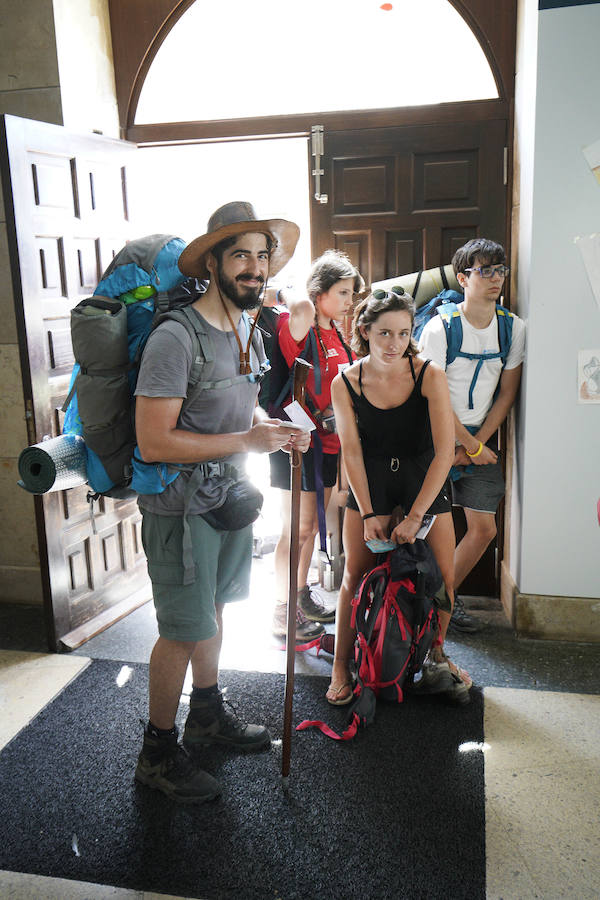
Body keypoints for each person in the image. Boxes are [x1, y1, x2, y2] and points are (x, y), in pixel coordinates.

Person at [133, 201, 310, 803]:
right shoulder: (175, 338)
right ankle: (157, 754)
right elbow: (153, 441)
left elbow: (242, 407)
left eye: (262, 256)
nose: (255, 268)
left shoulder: (248, 329)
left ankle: (205, 714)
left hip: (228, 497)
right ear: (212, 263)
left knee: (215, 610)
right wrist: (247, 442)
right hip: (179, 510)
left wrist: (273, 428)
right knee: (182, 630)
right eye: (240, 256)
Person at [326, 287, 472, 706]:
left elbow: (444, 452)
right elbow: (352, 451)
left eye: (404, 333)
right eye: (384, 333)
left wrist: (415, 516)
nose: (394, 343)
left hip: (422, 476)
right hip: (371, 478)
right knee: (354, 575)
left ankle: (436, 658)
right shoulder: (345, 380)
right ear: (365, 331)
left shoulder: (429, 375)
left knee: (443, 579)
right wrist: (368, 511)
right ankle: (341, 666)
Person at [418, 239, 526, 633]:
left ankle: (439, 601)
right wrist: (467, 445)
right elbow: (432, 396)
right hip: (432, 439)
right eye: (485, 270)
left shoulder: (513, 328)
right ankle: (424, 606)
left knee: (484, 530)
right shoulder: (441, 328)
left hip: (478, 440)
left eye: (500, 270)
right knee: (427, 530)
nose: (496, 278)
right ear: (463, 278)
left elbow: (507, 393)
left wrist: (477, 443)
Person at [269, 250, 363, 643]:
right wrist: (287, 291)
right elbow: (301, 306)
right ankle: (281, 611)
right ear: (319, 293)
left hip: (327, 444)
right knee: (298, 528)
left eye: (351, 293)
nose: (349, 301)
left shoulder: (339, 334)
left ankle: (299, 595)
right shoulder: (300, 326)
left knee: (310, 529)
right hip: (296, 442)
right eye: (342, 292)